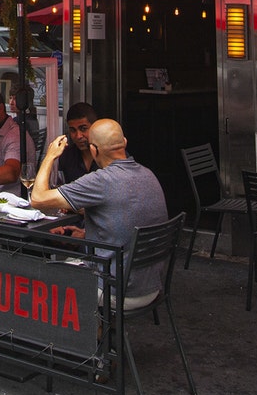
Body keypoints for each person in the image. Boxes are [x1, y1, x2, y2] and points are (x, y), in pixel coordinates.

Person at [31, 118, 168, 294]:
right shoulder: (148, 174)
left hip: (113, 290)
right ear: (124, 142)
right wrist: (86, 232)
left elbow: (38, 198)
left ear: (94, 150)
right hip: (151, 288)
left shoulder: (100, 181)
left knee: (46, 281)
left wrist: (50, 156)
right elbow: (123, 215)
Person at [56, 102, 99, 184]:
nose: (78, 136)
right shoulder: (67, 156)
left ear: (95, 127)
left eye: (83, 129)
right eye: (73, 130)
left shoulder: (108, 155)